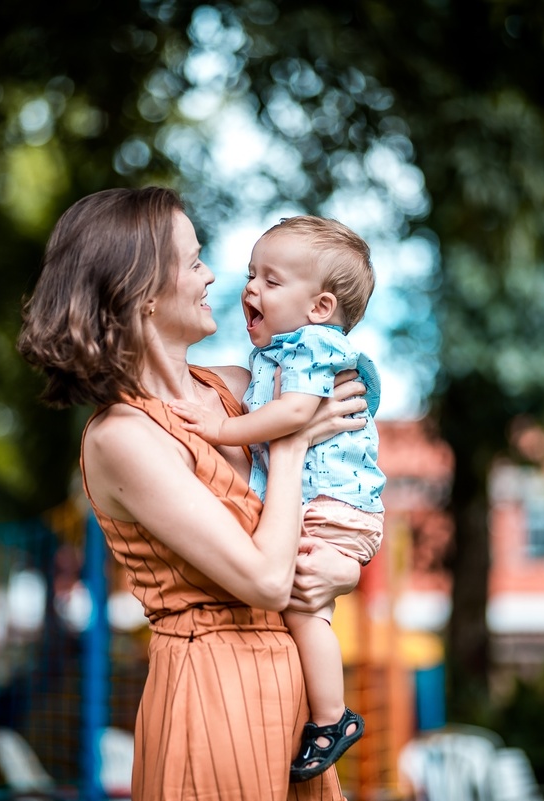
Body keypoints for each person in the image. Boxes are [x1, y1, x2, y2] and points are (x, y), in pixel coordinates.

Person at [16, 186, 367, 801]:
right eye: (194, 261)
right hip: (213, 695)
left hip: (296, 704)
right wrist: (290, 444)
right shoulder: (123, 437)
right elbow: (265, 581)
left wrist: (344, 571)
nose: (213, 278)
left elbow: (338, 491)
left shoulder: (244, 389)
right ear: (143, 292)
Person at [168, 216, 385, 783]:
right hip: (324, 514)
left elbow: (292, 415)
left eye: (270, 280)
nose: (246, 288)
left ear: (320, 307)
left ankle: (332, 719)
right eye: (251, 274)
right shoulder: (273, 360)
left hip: (332, 508)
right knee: (308, 613)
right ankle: (326, 716)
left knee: (306, 615)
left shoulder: (309, 349)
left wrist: (220, 429)